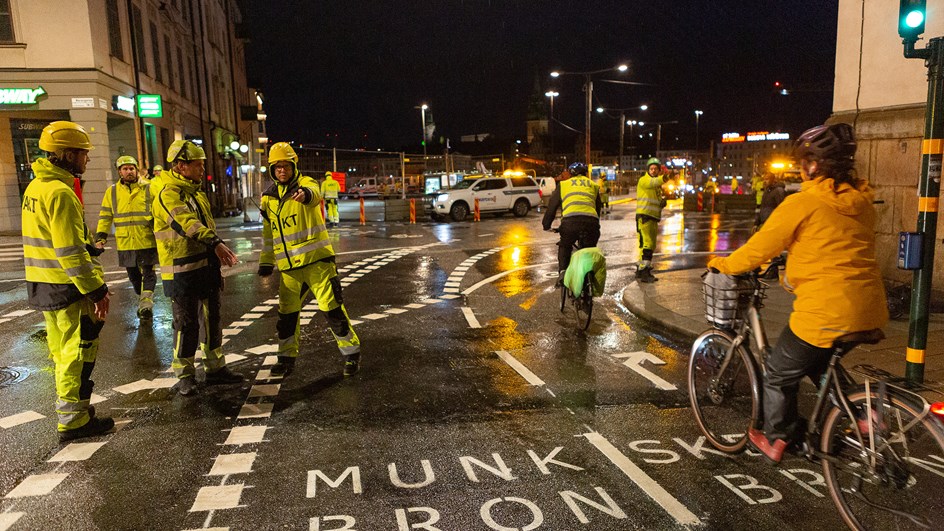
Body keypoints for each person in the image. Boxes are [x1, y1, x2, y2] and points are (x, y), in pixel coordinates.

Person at [707, 123, 888, 463]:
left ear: (815, 165)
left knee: (777, 371)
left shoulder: (802, 203)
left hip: (826, 310)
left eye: (805, 161)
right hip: (870, 306)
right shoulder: (863, 202)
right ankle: (863, 415)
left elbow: (759, 248)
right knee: (815, 360)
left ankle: (779, 439)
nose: (802, 168)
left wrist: (723, 263)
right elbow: (834, 247)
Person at [22, 121, 113, 441]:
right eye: (83, 153)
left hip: (43, 280)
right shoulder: (60, 192)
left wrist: (87, 246)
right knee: (75, 351)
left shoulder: (36, 186)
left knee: (63, 350)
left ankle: (77, 411)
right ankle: (73, 421)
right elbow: (69, 252)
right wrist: (97, 289)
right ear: (67, 154)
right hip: (66, 284)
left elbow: (50, 236)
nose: (87, 159)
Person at [258, 143, 361, 378]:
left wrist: (305, 196)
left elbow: (314, 196)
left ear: (294, 166)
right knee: (286, 316)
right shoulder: (268, 199)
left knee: (332, 309)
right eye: (277, 167)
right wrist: (266, 261)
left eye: (286, 166)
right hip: (289, 269)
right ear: (272, 169)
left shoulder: (307, 184)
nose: (282, 170)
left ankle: (351, 354)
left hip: (317, 263)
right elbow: (268, 234)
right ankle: (285, 359)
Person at [153, 140, 244, 396]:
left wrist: (215, 259)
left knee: (212, 319)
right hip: (181, 270)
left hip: (206, 267)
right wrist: (216, 243)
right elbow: (186, 223)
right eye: (197, 165)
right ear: (181, 166)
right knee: (186, 324)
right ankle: (184, 375)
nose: (202, 169)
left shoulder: (196, 192)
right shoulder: (168, 193)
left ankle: (215, 369)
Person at [95, 155, 158, 319]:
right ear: (119, 172)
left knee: (149, 273)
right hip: (125, 241)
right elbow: (105, 216)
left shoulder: (150, 188)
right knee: (134, 277)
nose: (129, 171)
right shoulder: (112, 192)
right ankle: (142, 298)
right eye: (125, 169)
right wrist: (100, 237)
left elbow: (160, 211)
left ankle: (146, 303)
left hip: (146, 239)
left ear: (137, 170)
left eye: (132, 168)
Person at [542, 162, 602, 282]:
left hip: (570, 223)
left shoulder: (564, 185)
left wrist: (546, 225)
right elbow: (598, 208)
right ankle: (590, 277)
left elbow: (552, 207)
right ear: (585, 174)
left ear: (570, 174)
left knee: (565, 244)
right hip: (591, 223)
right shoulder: (593, 185)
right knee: (589, 247)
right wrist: (594, 223)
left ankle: (563, 273)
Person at [635, 157, 675, 283]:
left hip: (652, 217)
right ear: (648, 170)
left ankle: (641, 270)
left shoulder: (657, 187)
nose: (653, 171)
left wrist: (660, 203)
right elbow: (654, 182)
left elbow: (654, 196)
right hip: (645, 216)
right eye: (651, 169)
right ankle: (645, 272)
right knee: (648, 243)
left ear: (658, 170)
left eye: (655, 169)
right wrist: (666, 177)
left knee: (647, 244)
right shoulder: (644, 180)